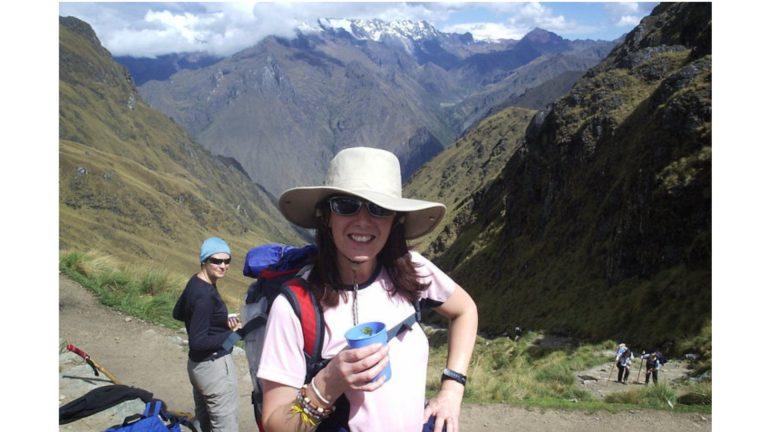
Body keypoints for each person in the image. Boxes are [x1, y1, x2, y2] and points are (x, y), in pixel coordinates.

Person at [258, 147, 479, 432]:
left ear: (395, 220)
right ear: (326, 216)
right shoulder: (295, 305)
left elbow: (465, 310)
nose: (363, 221)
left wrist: (452, 389)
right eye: (345, 205)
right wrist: (329, 382)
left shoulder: (410, 270)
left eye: (380, 208)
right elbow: (275, 424)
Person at [173, 237, 242, 432]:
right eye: (217, 261)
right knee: (224, 426)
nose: (223, 266)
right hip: (214, 370)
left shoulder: (196, 281)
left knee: (205, 423)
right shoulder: (205, 295)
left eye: (227, 261)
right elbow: (198, 342)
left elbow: (177, 313)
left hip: (196, 368)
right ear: (204, 260)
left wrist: (217, 321)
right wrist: (232, 332)